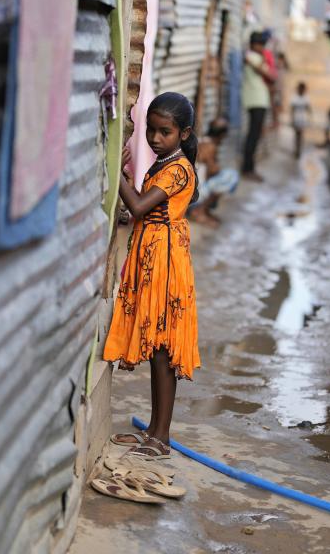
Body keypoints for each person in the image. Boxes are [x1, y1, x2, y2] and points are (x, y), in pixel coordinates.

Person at [104, 92, 201, 460]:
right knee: (158, 349)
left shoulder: (177, 169)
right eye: (151, 130)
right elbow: (143, 212)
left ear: (184, 133)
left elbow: (140, 205)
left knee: (163, 351)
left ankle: (161, 437)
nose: (155, 139)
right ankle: (155, 431)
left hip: (165, 262)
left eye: (165, 132)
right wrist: (130, 176)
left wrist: (116, 170)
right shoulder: (164, 163)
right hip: (153, 256)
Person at [189, 117, 239, 227]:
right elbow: (213, 170)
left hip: (190, 191)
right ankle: (198, 212)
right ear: (222, 135)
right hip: (194, 194)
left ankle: (204, 211)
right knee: (231, 176)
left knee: (221, 178)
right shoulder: (210, 146)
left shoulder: (201, 140)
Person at [241, 31, 276, 182]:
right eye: (260, 44)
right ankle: (248, 168)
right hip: (257, 100)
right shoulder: (254, 57)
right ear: (253, 44)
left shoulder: (252, 57)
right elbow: (271, 77)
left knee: (253, 135)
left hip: (257, 99)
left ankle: (249, 167)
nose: (262, 47)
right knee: (253, 136)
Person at [289, 82, 312, 159]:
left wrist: (310, 119)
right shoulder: (294, 97)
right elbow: (292, 109)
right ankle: (296, 150)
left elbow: (309, 108)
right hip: (296, 118)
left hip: (303, 119)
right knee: (297, 135)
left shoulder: (306, 97)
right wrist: (291, 119)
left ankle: (299, 150)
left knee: (300, 135)